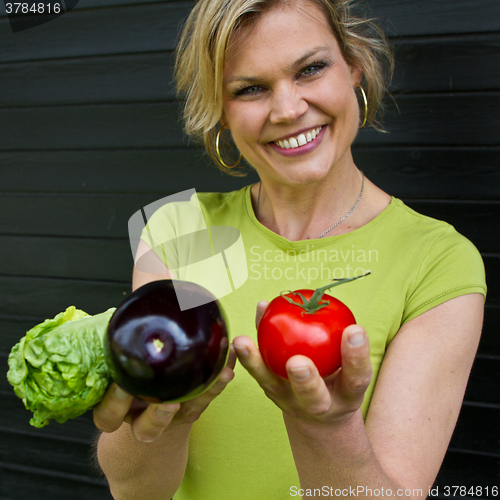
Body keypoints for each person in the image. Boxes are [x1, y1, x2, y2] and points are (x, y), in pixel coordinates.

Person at [94, 1, 487, 499]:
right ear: (222, 110)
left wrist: (325, 425)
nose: (287, 109)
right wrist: (166, 411)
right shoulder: (177, 227)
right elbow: (135, 491)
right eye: (250, 88)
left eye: (311, 68)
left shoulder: (438, 260)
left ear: (354, 69)